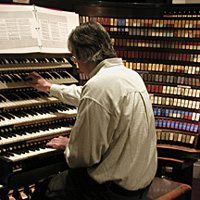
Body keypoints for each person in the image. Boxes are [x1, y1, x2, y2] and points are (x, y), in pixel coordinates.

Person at [28, 22, 157, 200]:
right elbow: (89, 94)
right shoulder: (129, 76)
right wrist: (50, 87)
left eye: (74, 56)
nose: (76, 63)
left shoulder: (98, 87)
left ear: (82, 55)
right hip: (141, 183)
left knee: (46, 189)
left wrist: (71, 145)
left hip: (114, 192)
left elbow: (82, 159)